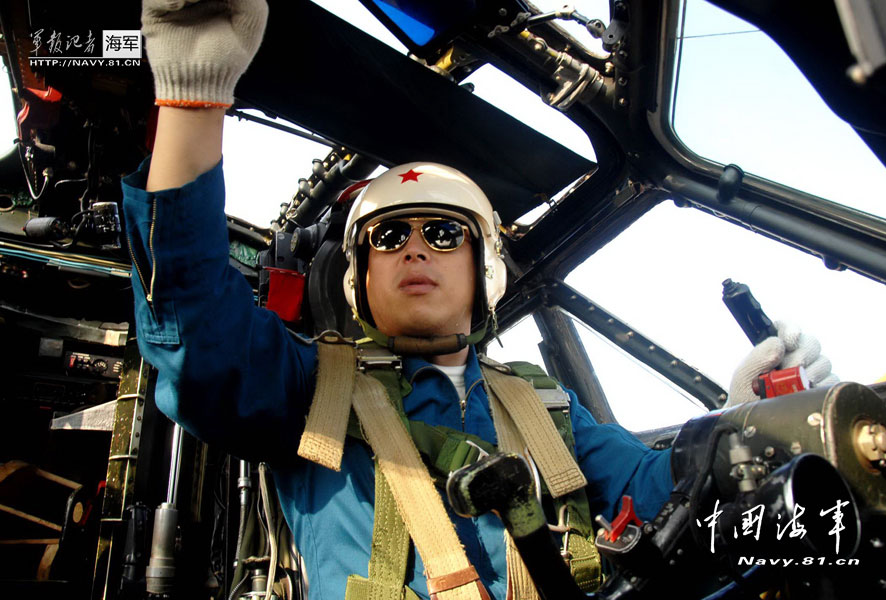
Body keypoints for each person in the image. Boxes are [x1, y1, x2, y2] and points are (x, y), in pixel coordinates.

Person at [125, 2, 837, 598]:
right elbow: (194, 334)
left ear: (484, 272)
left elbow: (652, 491)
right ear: (357, 280)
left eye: (441, 233)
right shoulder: (305, 387)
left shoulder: (544, 406)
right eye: (388, 237)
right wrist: (194, 89)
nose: (414, 249)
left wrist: (750, 423)